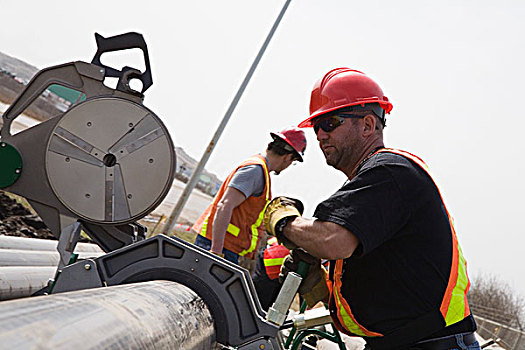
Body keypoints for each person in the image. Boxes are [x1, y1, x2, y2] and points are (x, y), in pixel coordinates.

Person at [263, 68, 479, 350]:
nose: (320, 136)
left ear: (367, 125)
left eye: (330, 122)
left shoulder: (390, 172)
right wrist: (323, 285)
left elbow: (333, 240)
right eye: (316, 127)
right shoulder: (376, 187)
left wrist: (283, 221)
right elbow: (390, 283)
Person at [191, 127, 306, 265]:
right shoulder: (255, 170)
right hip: (218, 248)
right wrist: (216, 251)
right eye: (292, 162)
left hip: (225, 247)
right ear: (288, 157)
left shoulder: (260, 171)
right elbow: (224, 205)